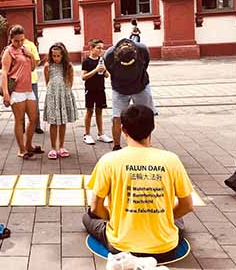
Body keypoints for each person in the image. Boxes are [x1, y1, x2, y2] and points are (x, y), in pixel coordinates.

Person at [83, 104, 193, 262]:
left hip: (122, 246)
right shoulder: (171, 160)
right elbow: (187, 205)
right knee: (177, 220)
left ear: (122, 129)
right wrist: (165, 216)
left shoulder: (109, 160)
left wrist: (114, 218)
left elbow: (95, 207)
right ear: (152, 128)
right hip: (165, 248)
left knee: (88, 217)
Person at [104, 38, 156, 151]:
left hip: (140, 85)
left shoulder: (142, 49)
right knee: (116, 117)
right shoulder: (108, 55)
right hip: (119, 88)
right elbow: (110, 70)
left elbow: (145, 65)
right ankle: (116, 146)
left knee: (146, 115)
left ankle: (147, 144)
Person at [1, 25, 43, 160]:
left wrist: (30, 55)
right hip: (17, 91)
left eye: (21, 40)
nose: (19, 43)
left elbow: (32, 68)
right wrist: (6, 93)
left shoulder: (25, 49)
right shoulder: (8, 52)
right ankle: (21, 149)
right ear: (11, 39)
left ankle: (29, 145)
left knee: (33, 118)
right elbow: (3, 73)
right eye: (16, 41)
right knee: (19, 121)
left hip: (28, 89)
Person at [43, 43, 78, 159]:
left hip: (64, 95)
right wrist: (53, 93)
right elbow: (47, 81)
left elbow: (71, 81)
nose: (56, 58)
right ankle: (53, 148)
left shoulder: (68, 66)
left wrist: (65, 92)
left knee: (63, 122)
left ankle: (61, 146)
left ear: (63, 55)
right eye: (54, 56)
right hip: (53, 96)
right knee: (53, 123)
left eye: (58, 56)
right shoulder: (48, 66)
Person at [81, 39, 112, 145]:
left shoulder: (102, 60)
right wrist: (96, 70)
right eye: (98, 48)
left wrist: (104, 71)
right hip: (90, 90)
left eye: (102, 48)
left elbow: (107, 76)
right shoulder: (86, 61)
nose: (101, 50)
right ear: (91, 48)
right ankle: (87, 134)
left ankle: (101, 134)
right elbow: (83, 77)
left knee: (99, 111)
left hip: (100, 89)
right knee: (89, 111)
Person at [23, 38, 44, 134]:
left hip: (32, 79)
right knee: (20, 104)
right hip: (18, 81)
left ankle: (37, 126)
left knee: (34, 103)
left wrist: (29, 64)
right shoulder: (11, 47)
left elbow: (37, 61)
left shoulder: (30, 45)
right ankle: (21, 126)